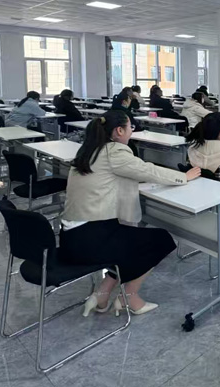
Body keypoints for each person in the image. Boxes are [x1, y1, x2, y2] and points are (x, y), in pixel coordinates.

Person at [60, 111, 200, 316]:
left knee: (130, 240)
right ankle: (129, 297)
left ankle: (102, 294)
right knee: (160, 240)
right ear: (119, 131)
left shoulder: (90, 150)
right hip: (90, 239)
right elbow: (148, 170)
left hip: (73, 236)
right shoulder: (114, 151)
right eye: (130, 128)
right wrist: (183, 177)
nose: (131, 132)